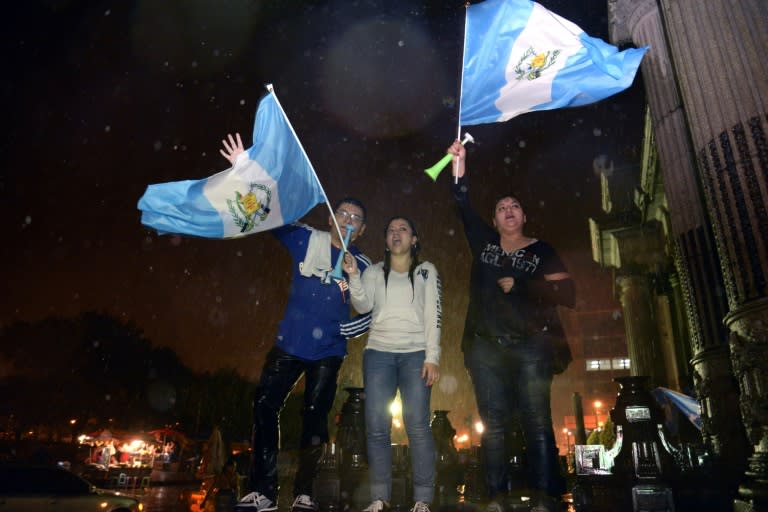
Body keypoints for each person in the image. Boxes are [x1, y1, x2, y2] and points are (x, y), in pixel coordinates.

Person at [219, 133, 372, 512]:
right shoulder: (306, 238)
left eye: (357, 219)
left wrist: (352, 283)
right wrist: (245, 169)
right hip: (289, 344)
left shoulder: (366, 265)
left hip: (328, 352)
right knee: (264, 406)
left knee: (315, 420)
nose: (349, 221)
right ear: (331, 218)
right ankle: (264, 491)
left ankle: (305, 492)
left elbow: (370, 312)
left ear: (363, 230)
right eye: (343, 215)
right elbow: (269, 213)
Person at [446, 140, 576, 512]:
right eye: (501, 207)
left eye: (514, 206)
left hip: (532, 346)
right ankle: (496, 498)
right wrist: (461, 163)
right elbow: (461, 204)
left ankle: (543, 497)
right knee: (494, 424)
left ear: (524, 215)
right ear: (496, 218)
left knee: (537, 421)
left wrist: (524, 286)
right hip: (486, 348)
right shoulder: (485, 243)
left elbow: (568, 292)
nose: (508, 211)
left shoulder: (541, 251)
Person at [344, 216, 442, 512]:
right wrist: (353, 276)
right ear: (385, 240)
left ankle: (422, 499)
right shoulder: (374, 271)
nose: (396, 233)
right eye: (390, 230)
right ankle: (380, 498)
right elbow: (362, 306)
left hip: (415, 354)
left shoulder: (426, 271)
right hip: (378, 354)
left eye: (403, 229)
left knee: (418, 427)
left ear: (414, 239)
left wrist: (432, 357)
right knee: (376, 427)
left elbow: (433, 317)